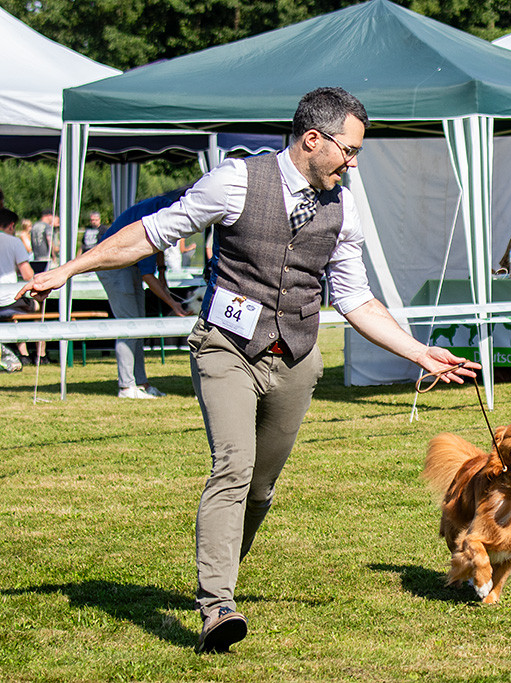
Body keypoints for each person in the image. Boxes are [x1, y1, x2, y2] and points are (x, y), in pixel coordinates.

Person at [19, 87, 478, 654]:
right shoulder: (234, 181)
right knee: (233, 468)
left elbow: (355, 298)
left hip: (296, 356)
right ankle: (217, 606)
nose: (354, 163)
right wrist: (68, 268)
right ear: (313, 139)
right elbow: (153, 232)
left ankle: (219, 575)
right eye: (349, 150)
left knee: (259, 489)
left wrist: (417, 352)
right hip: (226, 347)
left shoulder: (344, 206)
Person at [96, 190, 190, 399]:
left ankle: (141, 383)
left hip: (127, 265)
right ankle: (126, 387)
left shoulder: (163, 207)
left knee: (138, 325)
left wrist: (163, 273)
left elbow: (159, 246)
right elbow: (147, 275)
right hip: (114, 266)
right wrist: (173, 304)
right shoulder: (161, 212)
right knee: (129, 325)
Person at [0, 208, 37, 370]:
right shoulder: (14, 242)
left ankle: (23, 352)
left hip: (6, 303)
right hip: (9, 299)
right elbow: (28, 275)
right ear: (11, 225)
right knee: (37, 306)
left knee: (16, 314)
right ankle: (37, 354)